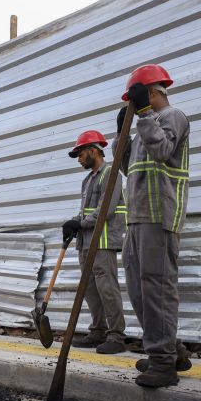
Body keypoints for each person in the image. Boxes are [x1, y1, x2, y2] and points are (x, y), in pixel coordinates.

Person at [113, 64, 192, 388]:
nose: (134, 107)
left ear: (152, 93)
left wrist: (143, 114)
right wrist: (122, 136)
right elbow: (128, 169)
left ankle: (162, 364)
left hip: (159, 216)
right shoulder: (143, 127)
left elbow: (162, 151)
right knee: (140, 291)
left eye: (138, 100)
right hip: (137, 218)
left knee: (156, 289)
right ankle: (171, 351)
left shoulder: (173, 116)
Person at [62, 130, 127, 354]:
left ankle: (116, 336)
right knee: (90, 290)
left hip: (103, 241)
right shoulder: (88, 180)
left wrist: (82, 224)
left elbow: (105, 210)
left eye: (80, 154)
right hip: (86, 243)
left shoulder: (111, 173)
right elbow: (86, 212)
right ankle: (98, 331)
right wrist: (74, 222)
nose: (79, 159)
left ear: (93, 151)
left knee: (107, 289)